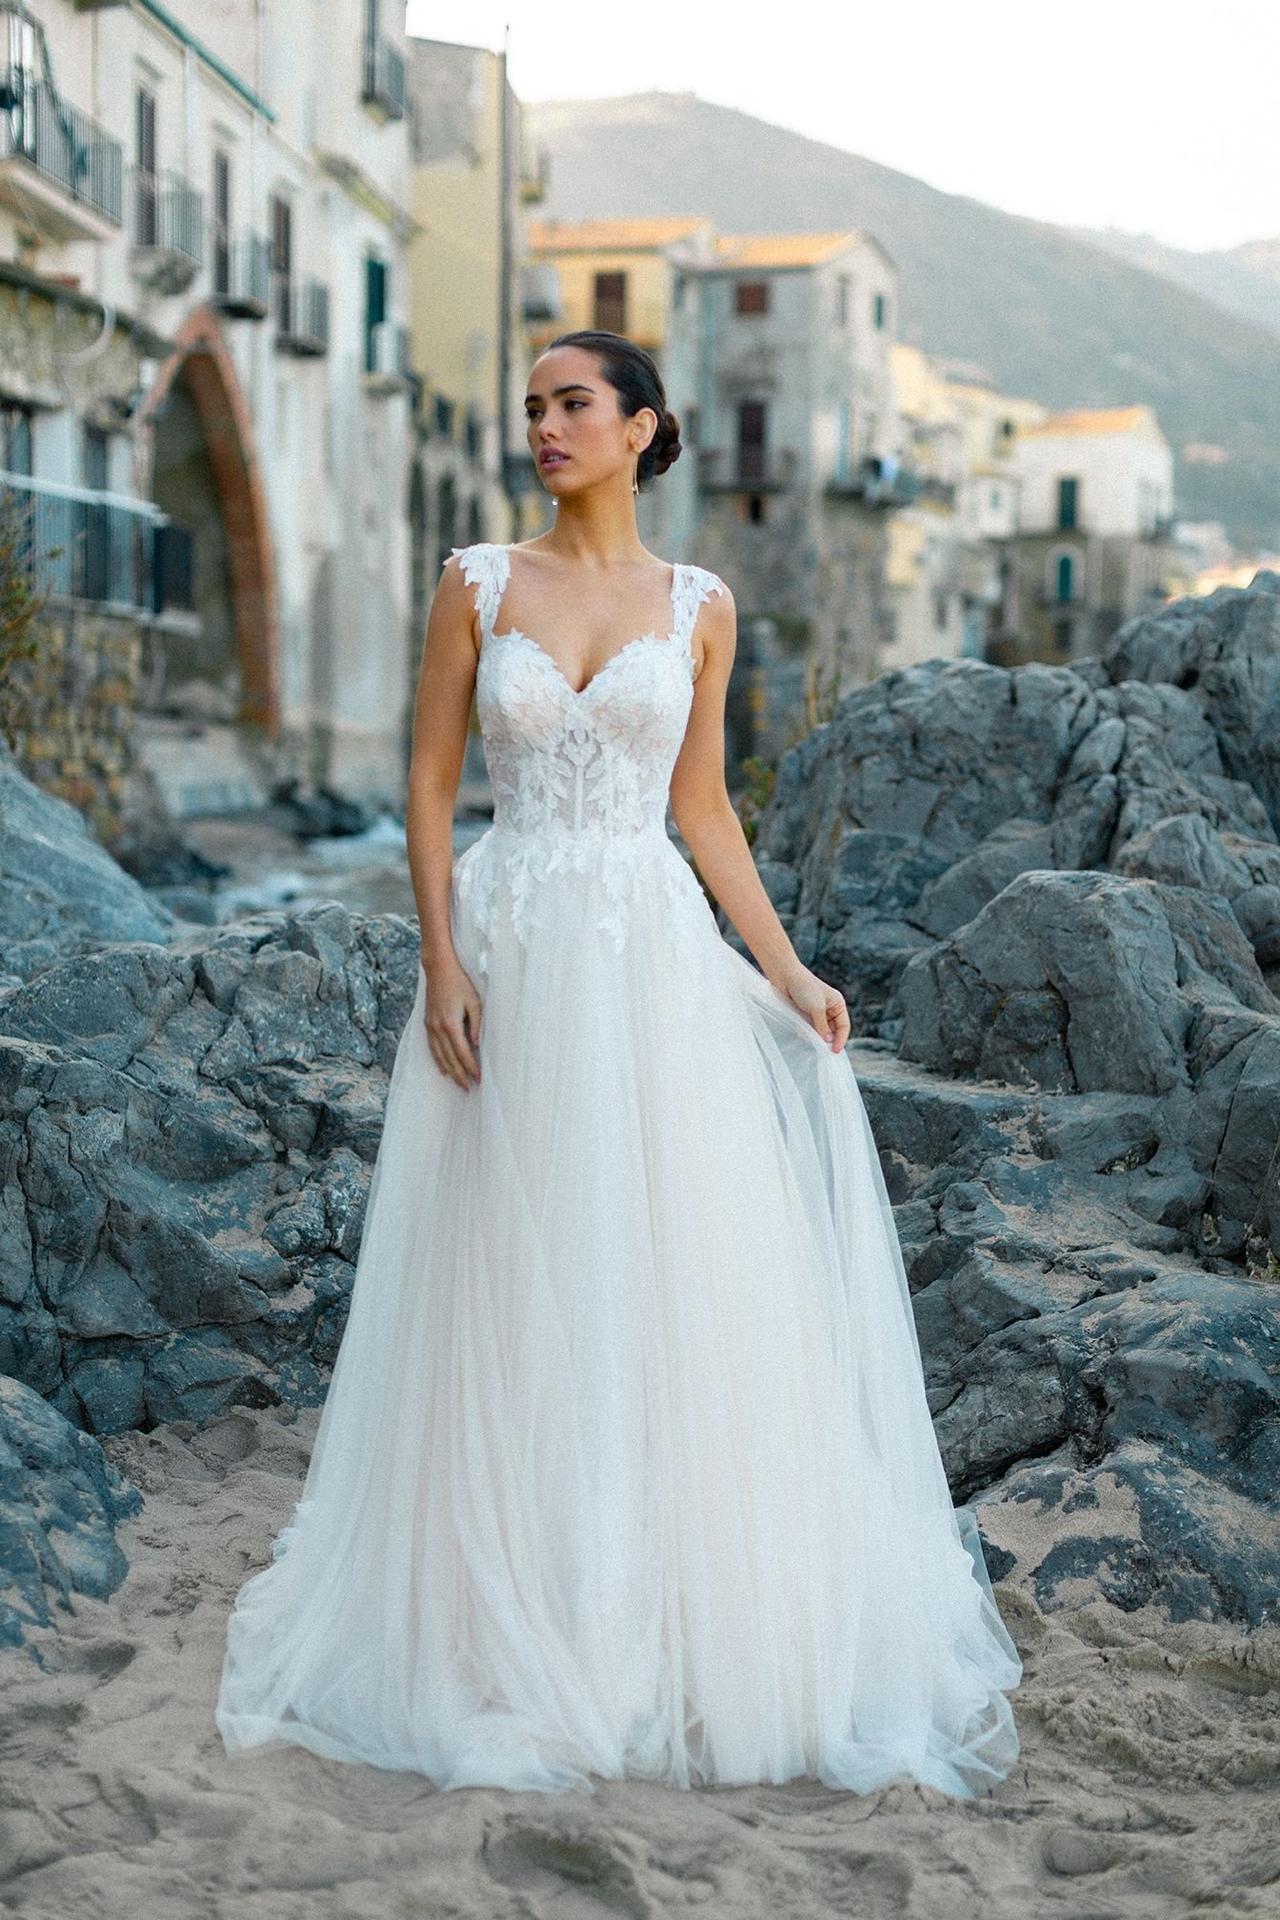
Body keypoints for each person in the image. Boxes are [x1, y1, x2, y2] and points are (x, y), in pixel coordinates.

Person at [215, 328, 1022, 1796]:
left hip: (650, 962)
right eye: (530, 406)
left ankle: (645, 1608)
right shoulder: (479, 579)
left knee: (657, 1279)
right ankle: (507, 1603)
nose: (543, 427)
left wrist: (785, 970)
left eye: (573, 403)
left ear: (646, 425)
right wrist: (439, 958)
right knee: (511, 1285)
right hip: (516, 953)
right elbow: (430, 777)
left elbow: (702, 809)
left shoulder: (699, 606)